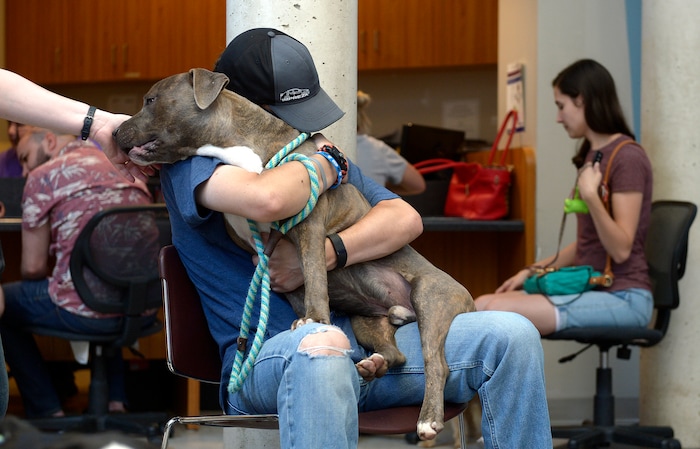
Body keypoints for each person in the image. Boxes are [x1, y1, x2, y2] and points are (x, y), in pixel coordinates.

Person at [154, 28, 551, 448]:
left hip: (374, 349)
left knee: (512, 334)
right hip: (271, 358)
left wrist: (329, 253)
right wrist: (326, 163)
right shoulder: (191, 163)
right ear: (239, 105)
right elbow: (268, 198)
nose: (301, 130)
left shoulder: (309, 155)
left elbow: (404, 219)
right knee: (323, 347)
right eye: (289, 115)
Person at [475, 59, 653, 337]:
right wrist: (532, 271)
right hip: (594, 290)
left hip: (625, 296)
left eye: (561, 106)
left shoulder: (627, 157)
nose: (558, 117)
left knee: (494, 311)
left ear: (582, 101)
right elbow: (586, 245)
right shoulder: (592, 155)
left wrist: (592, 197)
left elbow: (620, 249)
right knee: (481, 304)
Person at [0, 126, 153, 418]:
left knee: (2, 304)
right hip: (140, 306)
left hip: (84, 309)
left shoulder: (42, 176)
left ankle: (48, 410)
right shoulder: (127, 170)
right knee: (109, 288)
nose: (23, 170)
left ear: (48, 140)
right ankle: (116, 402)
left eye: (25, 157)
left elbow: (31, 268)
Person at [355, 90, 426, 196]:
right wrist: (380, 188)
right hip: (374, 212)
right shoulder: (377, 149)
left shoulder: (323, 147)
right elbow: (417, 186)